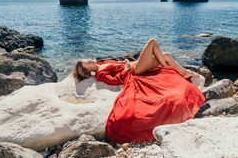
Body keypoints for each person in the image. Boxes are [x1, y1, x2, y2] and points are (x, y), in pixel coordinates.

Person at [73, 38, 205, 143]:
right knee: (152, 42)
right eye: (88, 63)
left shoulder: (102, 64)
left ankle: (181, 72)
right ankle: (171, 70)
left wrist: (124, 63)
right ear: (88, 71)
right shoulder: (100, 74)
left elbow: (118, 65)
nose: (90, 60)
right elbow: (116, 80)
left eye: (88, 60)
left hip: (133, 65)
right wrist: (126, 69)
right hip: (134, 71)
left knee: (165, 55)